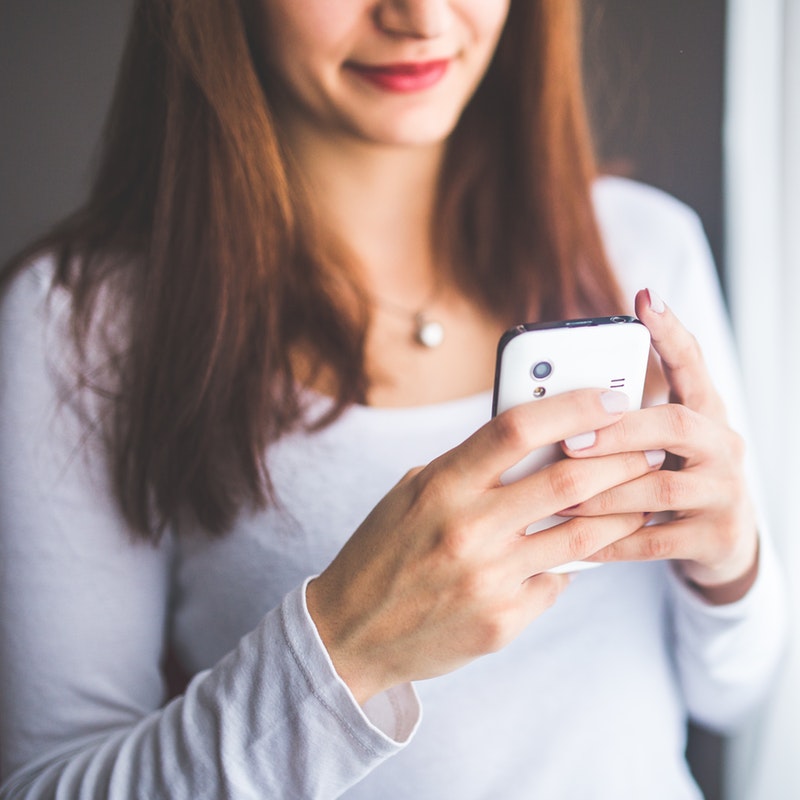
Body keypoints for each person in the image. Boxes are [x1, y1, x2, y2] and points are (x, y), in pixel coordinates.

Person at [0, 1, 787, 797]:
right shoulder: (81, 323)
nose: (419, 18)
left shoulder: (645, 249)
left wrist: (730, 564)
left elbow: (734, 690)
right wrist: (347, 648)